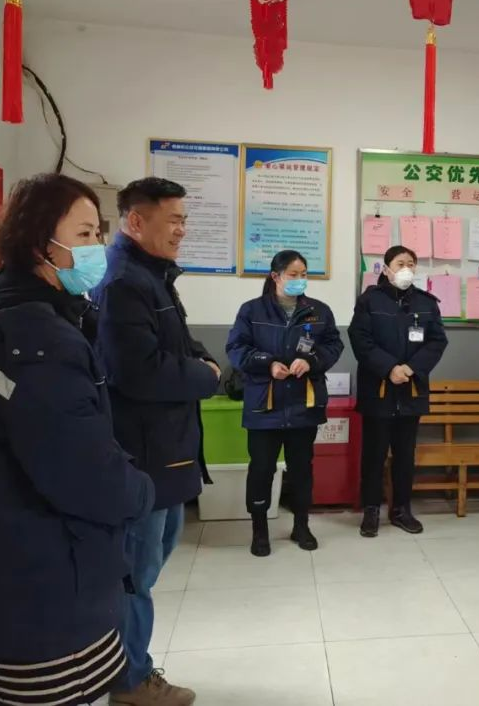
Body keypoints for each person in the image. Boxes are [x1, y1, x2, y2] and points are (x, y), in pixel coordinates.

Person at [0, 174, 154, 706]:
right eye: (83, 234)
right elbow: (87, 477)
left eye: (98, 233)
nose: (97, 247)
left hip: (10, 581)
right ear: (40, 246)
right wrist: (141, 490)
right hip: (48, 594)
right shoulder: (39, 344)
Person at [92, 177, 220, 706]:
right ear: (136, 221)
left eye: (184, 220)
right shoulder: (123, 281)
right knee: (134, 575)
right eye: (174, 220)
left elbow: (177, 344)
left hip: (166, 452)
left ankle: (127, 668)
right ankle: (129, 680)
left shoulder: (153, 277)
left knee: (149, 562)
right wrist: (206, 376)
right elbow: (138, 371)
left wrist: (202, 361)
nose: (182, 230)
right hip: (142, 455)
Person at [226, 250, 344, 556]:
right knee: (261, 469)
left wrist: (311, 360)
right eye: (293, 274)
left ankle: (301, 526)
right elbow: (236, 348)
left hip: (304, 404)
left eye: (304, 274)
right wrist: (268, 364)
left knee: (302, 469)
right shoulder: (252, 310)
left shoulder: (318, 311)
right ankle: (259, 530)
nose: (299, 279)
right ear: (275, 276)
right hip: (264, 404)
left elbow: (333, 345)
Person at [349, 245, 448, 537]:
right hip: (378, 389)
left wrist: (411, 369)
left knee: (405, 455)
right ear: (386, 269)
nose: (407, 268)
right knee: (374, 455)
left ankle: (401, 509)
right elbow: (360, 339)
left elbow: (437, 341)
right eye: (400, 263)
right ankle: (371, 510)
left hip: (410, 389)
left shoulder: (426, 302)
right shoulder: (370, 300)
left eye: (411, 263)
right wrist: (389, 367)